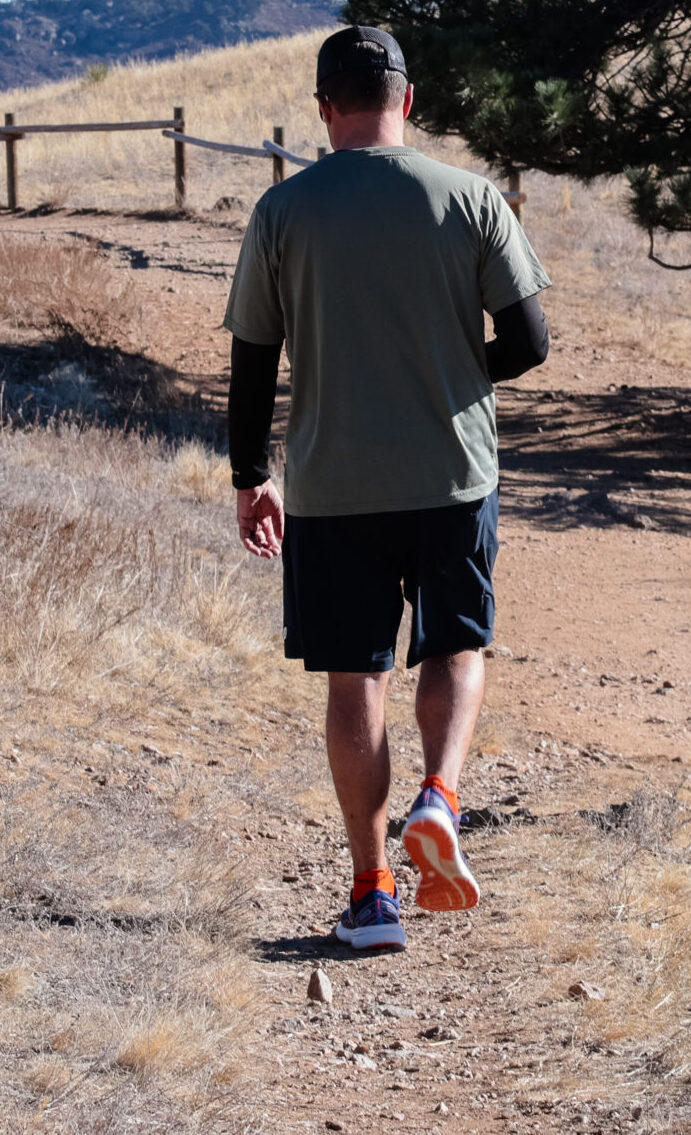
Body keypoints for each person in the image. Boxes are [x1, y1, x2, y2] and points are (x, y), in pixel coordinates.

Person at [223, 25, 551, 951]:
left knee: (354, 675)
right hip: (452, 473)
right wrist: (453, 370)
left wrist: (254, 477)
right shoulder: (473, 200)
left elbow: (253, 366)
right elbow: (529, 342)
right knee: (455, 646)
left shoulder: (282, 213)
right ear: (410, 100)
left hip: (332, 487)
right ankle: (440, 797)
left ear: (325, 109)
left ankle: (371, 895)